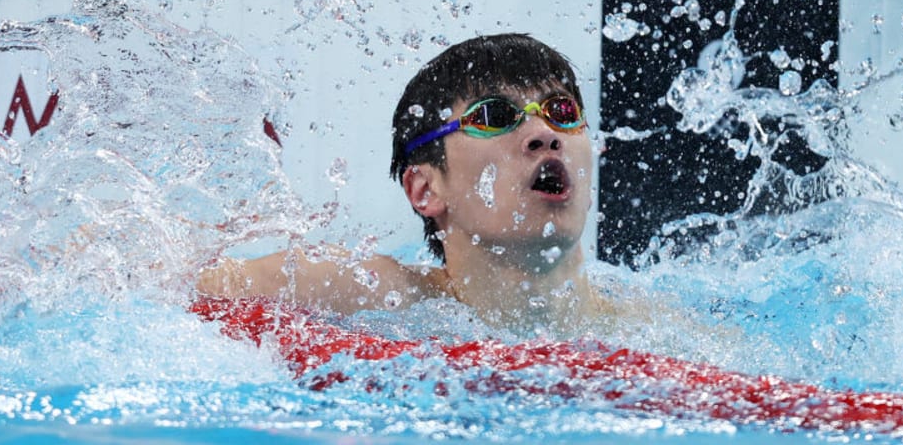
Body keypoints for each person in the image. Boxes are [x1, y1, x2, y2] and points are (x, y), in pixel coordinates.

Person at [197, 33, 614, 333]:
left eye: (561, 111)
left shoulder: (656, 327)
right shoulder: (367, 297)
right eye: (493, 116)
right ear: (424, 190)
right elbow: (162, 288)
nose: (545, 133)